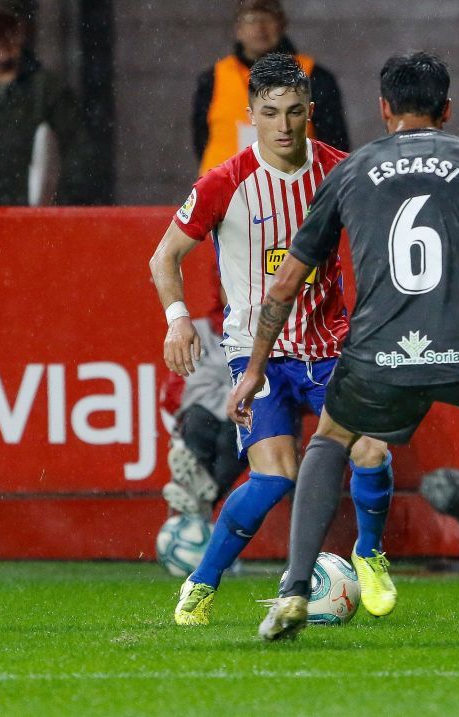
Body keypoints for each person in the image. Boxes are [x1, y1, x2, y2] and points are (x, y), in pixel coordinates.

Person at [231, 51, 459, 642]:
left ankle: (293, 592)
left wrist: (255, 368)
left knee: (329, 440)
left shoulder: (349, 172)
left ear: (384, 110)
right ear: (447, 109)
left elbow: (284, 285)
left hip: (381, 358)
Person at [149, 53, 396, 627]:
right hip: (255, 353)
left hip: (330, 346)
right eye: (269, 113)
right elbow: (164, 257)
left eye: (293, 112)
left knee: (371, 448)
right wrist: (178, 319)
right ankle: (201, 583)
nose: (283, 125)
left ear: (311, 110)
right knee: (275, 476)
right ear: (251, 115)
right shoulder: (224, 183)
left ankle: (368, 553)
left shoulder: (342, 171)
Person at [193, 0, 349, 176]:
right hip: (224, 195)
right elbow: (201, 140)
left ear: (282, 25)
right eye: (251, 19)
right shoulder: (212, 79)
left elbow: (335, 146)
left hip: (295, 194)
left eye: (268, 17)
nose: (260, 27)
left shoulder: (314, 76)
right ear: (238, 29)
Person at [0, 7, 93, 205]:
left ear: (21, 34)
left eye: (8, 31)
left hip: (31, 218)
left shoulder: (47, 89)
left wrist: (63, 204)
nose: (0, 40)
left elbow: (78, 146)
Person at [159, 283, 248, 518]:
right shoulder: (197, 330)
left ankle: (195, 510)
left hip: (244, 417)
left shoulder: (265, 331)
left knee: (237, 440)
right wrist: (234, 389)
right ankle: (194, 513)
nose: (235, 291)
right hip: (204, 413)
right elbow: (193, 385)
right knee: (197, 426)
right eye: (228, 283)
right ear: (218, 289)